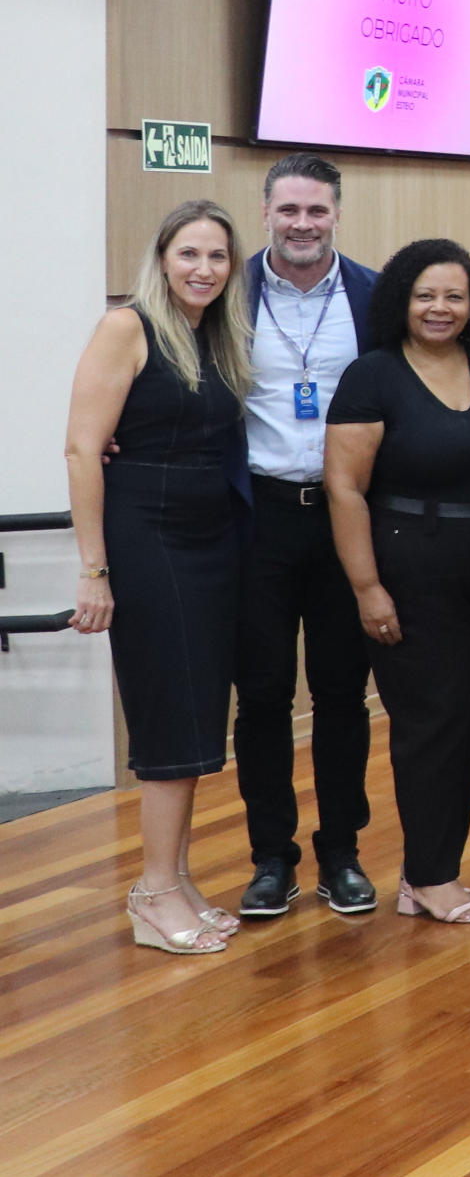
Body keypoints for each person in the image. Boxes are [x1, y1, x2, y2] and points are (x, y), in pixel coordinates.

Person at [323, 240, 470, 925]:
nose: (439, 308)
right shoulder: (373, 376)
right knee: (432, 722)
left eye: (453, 296)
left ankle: (433, 869)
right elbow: (345, 488)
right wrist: (366, 588)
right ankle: (430, 874)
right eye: (425, 295)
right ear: (399, 303)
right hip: (411, 568)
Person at [65, 201, 253, 955]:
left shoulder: (217, 335)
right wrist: (94, 570)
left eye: (217, 256)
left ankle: (176, 880)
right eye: (189, 254)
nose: (203, 269)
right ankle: (150, 891)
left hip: (213, 538)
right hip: (147, 538)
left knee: (201, 709)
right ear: (162, 257)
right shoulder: (126, 327)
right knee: (170, 712)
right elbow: (83, 450)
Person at [231, 154, 384, 921]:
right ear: (265, 211)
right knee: (260, 695)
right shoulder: (229, 291)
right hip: (257, 519)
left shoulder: (372, 293)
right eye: (288, 209)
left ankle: (342, 853)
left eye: (316, 211)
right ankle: (270, 858)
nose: (302, 224)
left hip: (343, 519)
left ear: (336, 214)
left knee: (340, 695)